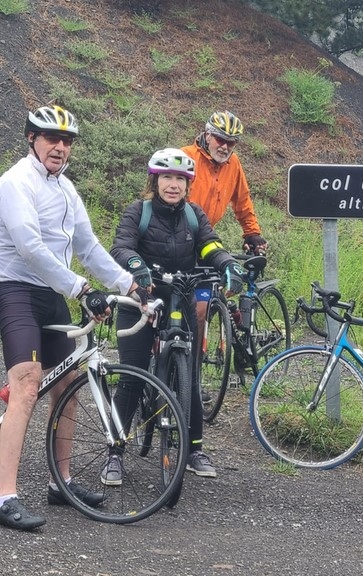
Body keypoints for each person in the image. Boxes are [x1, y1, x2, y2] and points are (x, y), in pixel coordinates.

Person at [0, 105, 148, 531]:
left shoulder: (66, 189)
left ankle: (60, 482)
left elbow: (88, 246)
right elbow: (29, 247)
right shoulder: (16, 182)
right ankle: (5, 495)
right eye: (52, 138)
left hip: (53, 292)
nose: (60, 147)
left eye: (67, 141)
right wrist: (82, 289)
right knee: (27, 383)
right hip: (15, 289)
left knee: (67, 382)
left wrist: (129, 285)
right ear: (32, 139)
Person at [107, 148, 245, 482]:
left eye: (180, 179)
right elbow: (121, 246)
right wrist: (136, 266)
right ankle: (114, 452)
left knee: (190, 376)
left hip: (180, 299)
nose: (173, 185)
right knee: (132, 376)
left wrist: (227, 264)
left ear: (188, 185)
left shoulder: (194, 215)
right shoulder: (138, 212)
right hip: (140, 301)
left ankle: (194, 449)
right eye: (167, 177)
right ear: (154, 181)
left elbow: (209, 245)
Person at [181, 110, 266, 356]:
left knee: (200, 309)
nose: (225, 146)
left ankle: (193, 368)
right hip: (176, 238)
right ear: (208, 135)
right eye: (220, 139)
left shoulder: (233, 164)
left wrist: (252, 233)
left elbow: (243, 202)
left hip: (206, 241)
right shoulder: (186, 156)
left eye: (232, 142)